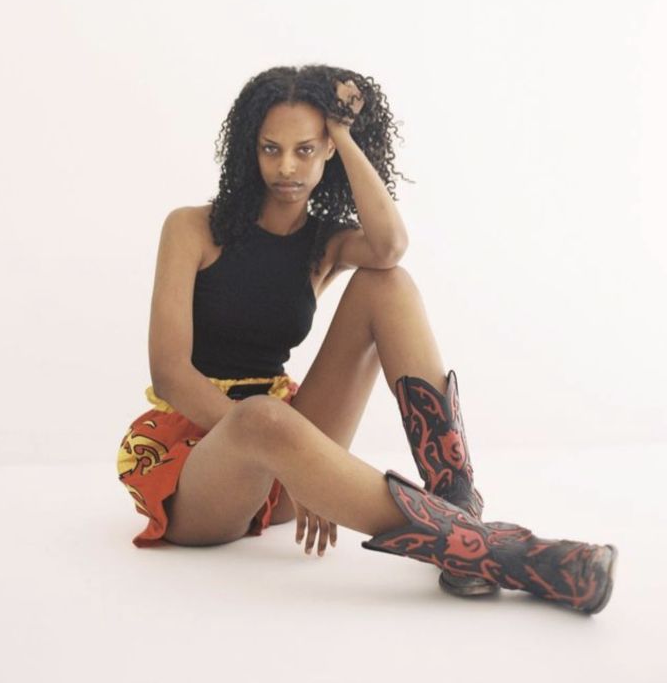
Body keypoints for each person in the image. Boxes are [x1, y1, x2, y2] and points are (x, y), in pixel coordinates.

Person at [116, 64, 617, 615]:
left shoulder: (324, 243)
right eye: (271, 149)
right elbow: (170, 373)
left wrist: (345, 134)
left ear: (327, 150)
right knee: (261, 418)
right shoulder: (190, 228)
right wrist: (287, 458)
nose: (287, 167)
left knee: (387, 283)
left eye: (306, 149)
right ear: (249, 149)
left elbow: (389, 246)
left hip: (287, 442)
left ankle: (454, 498)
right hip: (200, 465)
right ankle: (511, 555)